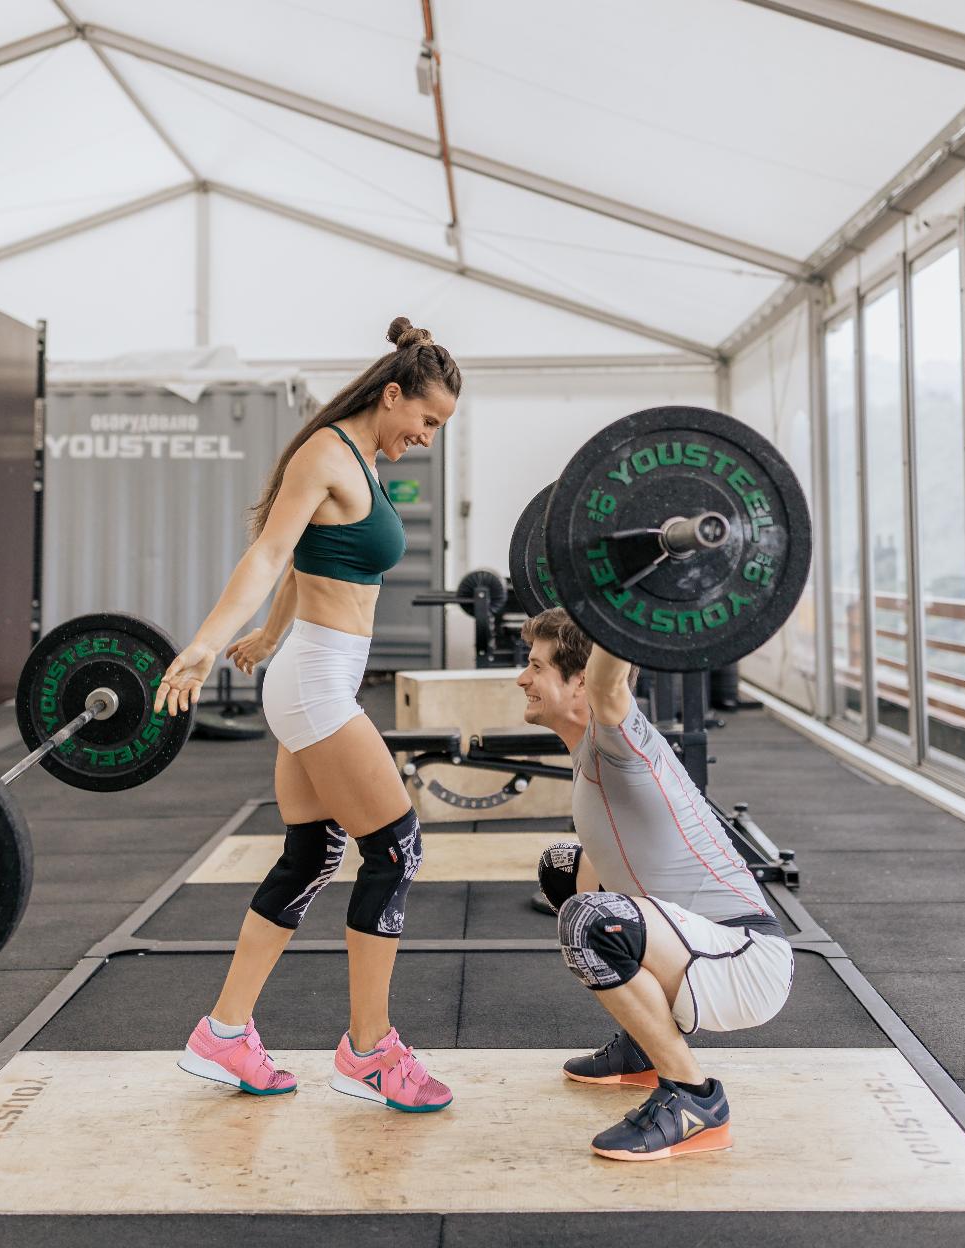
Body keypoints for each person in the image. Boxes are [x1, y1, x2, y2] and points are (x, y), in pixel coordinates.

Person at [154, 317, 460, 1114]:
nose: (426, 437)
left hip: (313, 672)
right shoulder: (326, 453)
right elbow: (267, 551)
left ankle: (223, 1033)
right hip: (317, 685)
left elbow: (312, 558)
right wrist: (207, 644)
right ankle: (369, 1052)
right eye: (425, 420)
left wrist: (268, 632)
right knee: (394, 848)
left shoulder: (362, 459)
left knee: (312, 854)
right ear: (391, 395)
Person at [517, 608, 794, 1160]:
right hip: (700, 945)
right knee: (563, 868)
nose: (522, 678)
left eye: (536, 666)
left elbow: (609, 679)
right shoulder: (589, 751)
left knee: (589, 925)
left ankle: (695, 1101)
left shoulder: (618, 737)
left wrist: (618, 596)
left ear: (579, 684)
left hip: (742, 960)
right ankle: (644, 1050)